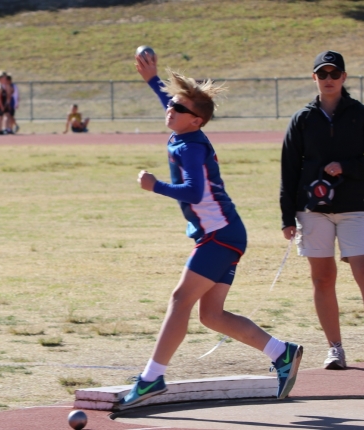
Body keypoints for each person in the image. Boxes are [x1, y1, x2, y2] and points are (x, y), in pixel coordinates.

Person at [121, 52, 303, 408]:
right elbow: (176, 104)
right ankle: (282, 353)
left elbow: (194, 192)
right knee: (211, 315)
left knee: (179, 300)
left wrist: (155, 185)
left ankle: (152, 378)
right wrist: (153, 80)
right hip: (227, 233)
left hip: (219, 236)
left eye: (178, 108)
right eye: (171, 104)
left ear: (196, 121)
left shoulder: (189, 146)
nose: (169, 109)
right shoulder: (186, 128)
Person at [280, 50, 364, 371]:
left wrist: (346, 167)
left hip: (354, 208)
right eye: (323, 74)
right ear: (314, 78)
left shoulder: (361, 114)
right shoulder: (302, 119)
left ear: (344, 77)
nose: (329, 79)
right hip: (312, 211)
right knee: (322, 280)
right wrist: (286, 217)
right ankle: (335, 348)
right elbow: (289, 169)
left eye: (335, 74)